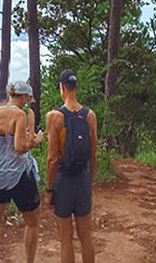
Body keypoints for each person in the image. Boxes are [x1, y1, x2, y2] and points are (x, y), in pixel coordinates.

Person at [0, 81, 45, 263]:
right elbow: (20, 147)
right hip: (19, 174)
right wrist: (36, 141)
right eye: (27, 99)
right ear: (22, 97)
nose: (28, 102)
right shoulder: (20, 114)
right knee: (33, 221)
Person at [45, 70, 98, 263]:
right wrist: (88, 179)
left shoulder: (54, 117)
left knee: (65, 240)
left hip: (63, 180)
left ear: (62, 88)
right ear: (75, 87)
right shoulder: (90, 115)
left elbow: (52, 159)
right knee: (86, 237)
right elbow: (94, 154)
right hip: (83, 178)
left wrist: (49, 189)